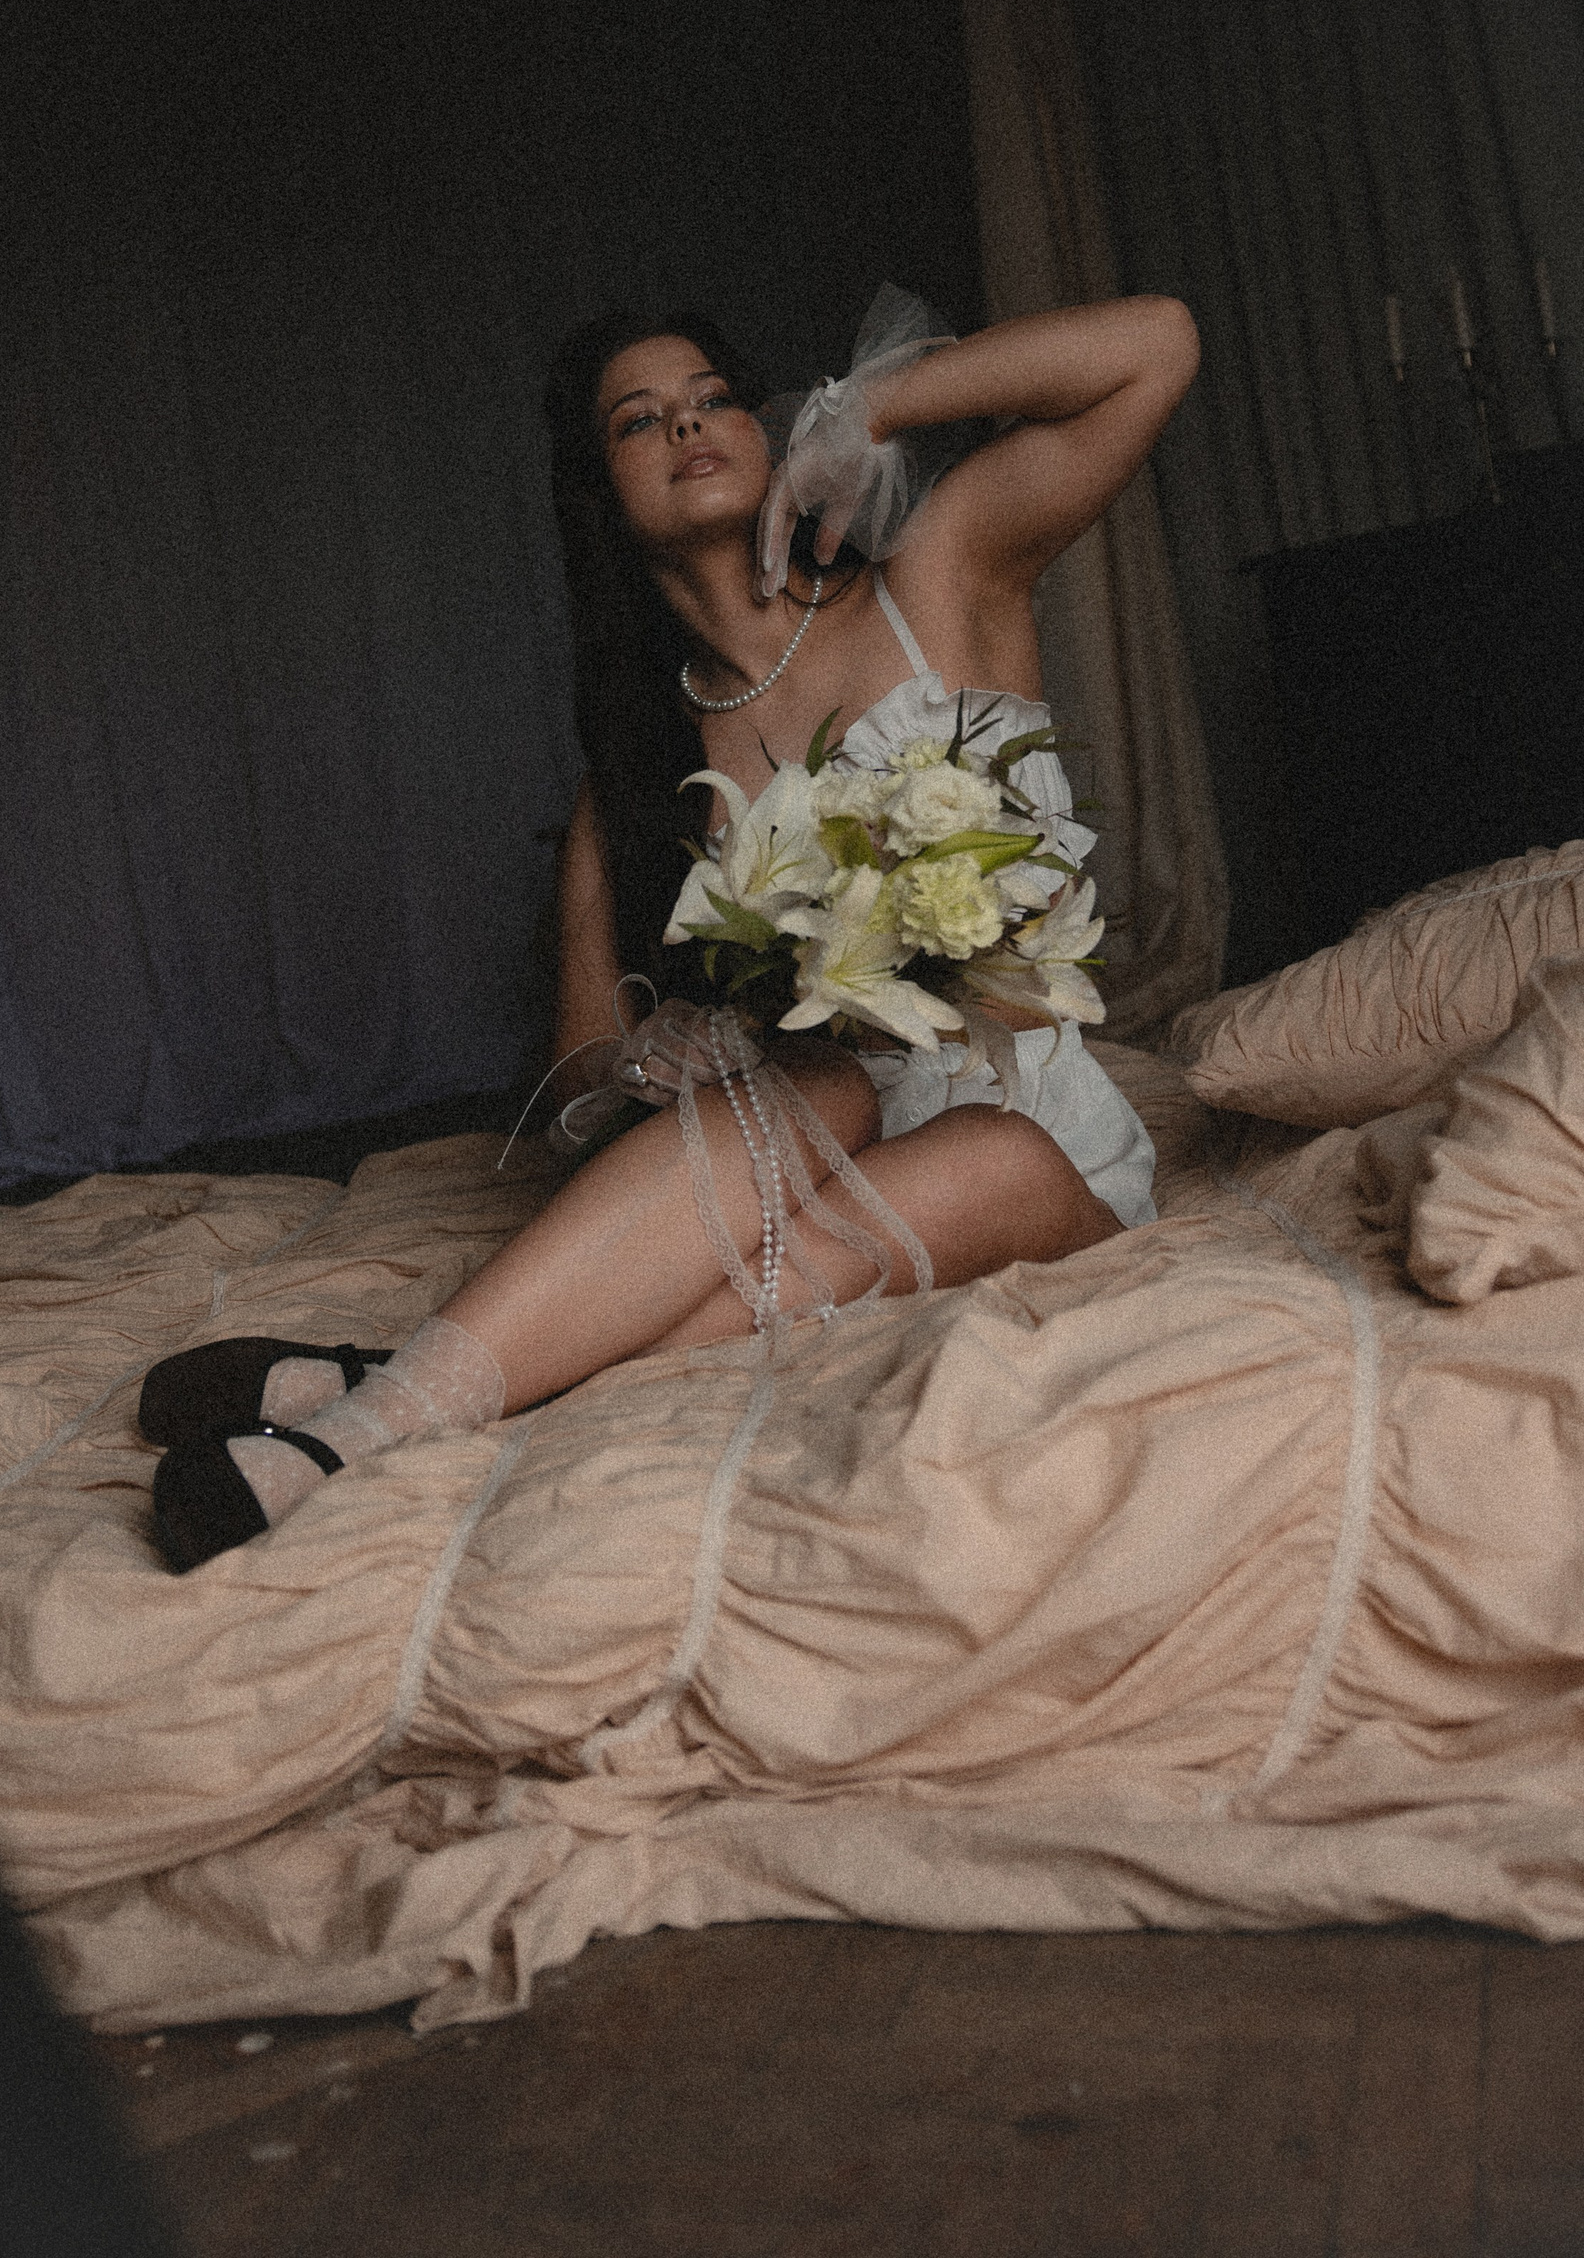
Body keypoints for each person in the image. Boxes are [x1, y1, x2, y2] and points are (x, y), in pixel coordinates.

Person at [146, 289, 1200, 1570]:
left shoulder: (940, 575)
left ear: (765, 429)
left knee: (998, 1151)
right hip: (811, 1159)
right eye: (639, 421)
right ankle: (360, 1434)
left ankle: (386, 1382)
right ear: (602, 494)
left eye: (714, 401)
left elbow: (1156, 345)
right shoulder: (640, 775)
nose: (688, 427)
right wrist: (648, 1057)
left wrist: (863, 407)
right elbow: (580, 1067)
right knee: (824, 1082)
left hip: (1043, 1154)